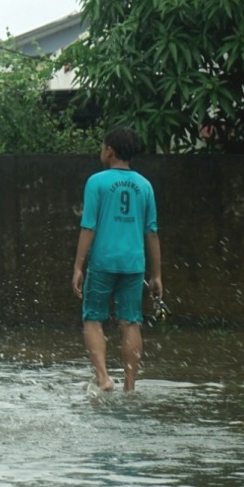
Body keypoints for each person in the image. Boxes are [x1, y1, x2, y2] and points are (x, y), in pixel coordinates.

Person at [71, 125, 162, 392]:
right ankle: (130, 386)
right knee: (131, 322)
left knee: (93, 318)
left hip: (103, 262)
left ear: (109, 151)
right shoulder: (145, 185)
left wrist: (78, 266)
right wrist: (157, 274)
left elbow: (89, 227)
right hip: (134, 264)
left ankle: (103, 377)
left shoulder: (96, 182)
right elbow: (152, 232)